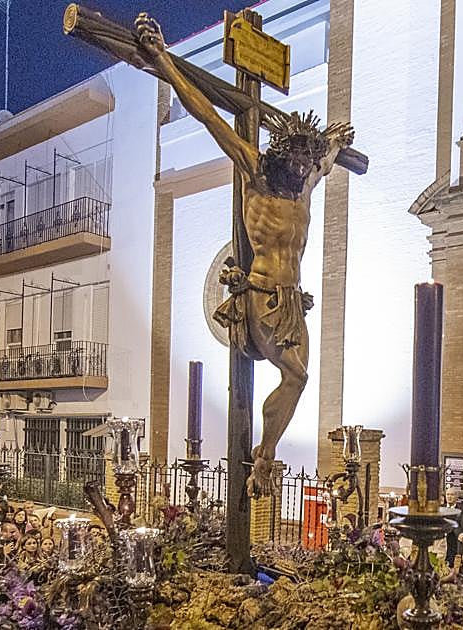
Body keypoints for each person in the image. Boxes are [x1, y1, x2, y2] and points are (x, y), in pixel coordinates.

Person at [136, 12, 355, 497]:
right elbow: (208, 115)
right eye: (296, 161)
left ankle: (264, 453)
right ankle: (266, 455)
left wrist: (335, 147)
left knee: (298, 378)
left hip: (293, 299)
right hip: (258, 293)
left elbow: (325, 161)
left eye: (306, 163)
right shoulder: (255, 172)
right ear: (282, 154)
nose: (301, 169)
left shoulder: (304, 187)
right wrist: (164, 61)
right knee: (294, 372)